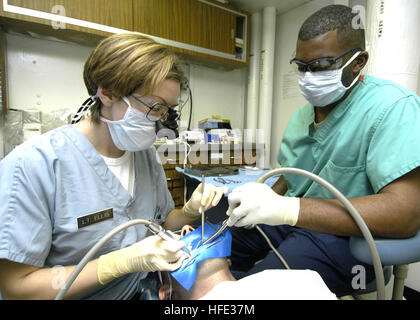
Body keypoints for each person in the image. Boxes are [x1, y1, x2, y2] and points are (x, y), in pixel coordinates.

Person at [0, 33, 227, 300]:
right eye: (155, 108)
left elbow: (161, 221)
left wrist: (190, 210)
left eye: (167, 112)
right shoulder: (33, 165)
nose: (162, 124)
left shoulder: (143, 155)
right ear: (108, 93)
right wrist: (118, 264)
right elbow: (16, 288)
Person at [226, 4, 420, 297]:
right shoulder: (303, 116)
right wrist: (259, 200)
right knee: (220, 247)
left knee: (258, 291)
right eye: (301, 67)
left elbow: (405, 214)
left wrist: (288, 210)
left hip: (344, 238)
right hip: (293, 220)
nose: (307, 76)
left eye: (319, 66)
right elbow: (292, 181)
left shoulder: (393, 107)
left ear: (358, 61)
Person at [158, 226, 336, 300]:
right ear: (166, 294)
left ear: (229, 261)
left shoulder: (304, 281)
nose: (187, 229)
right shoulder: (303, 280)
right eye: (180, 237)